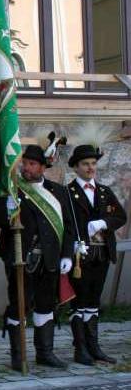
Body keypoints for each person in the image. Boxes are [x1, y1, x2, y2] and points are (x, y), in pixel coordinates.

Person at [0, 144, 75, 371]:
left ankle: (45, 353)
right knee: (20, 305)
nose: (26, 168)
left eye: (32, 164)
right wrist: (8, 208)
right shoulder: (12, 188)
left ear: (42, 167)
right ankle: (18, 355)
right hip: (20, 259)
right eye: (25, 163)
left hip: (49, 259)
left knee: (46, 304)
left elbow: (68, 227)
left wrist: (67, 254)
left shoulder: (57, 191)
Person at [66, 141, 127, 365]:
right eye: (85, 164)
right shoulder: (68, 193)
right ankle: (80, 349)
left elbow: (121, 217)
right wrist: (70, 245)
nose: (91, 168)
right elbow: (65, 224)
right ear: (76, 167)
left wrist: (103, 222)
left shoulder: (104, 191)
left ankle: (94, 346)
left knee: (93, 301)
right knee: (79, 302)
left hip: (101, 254)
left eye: (93, 163)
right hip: (79, 256)